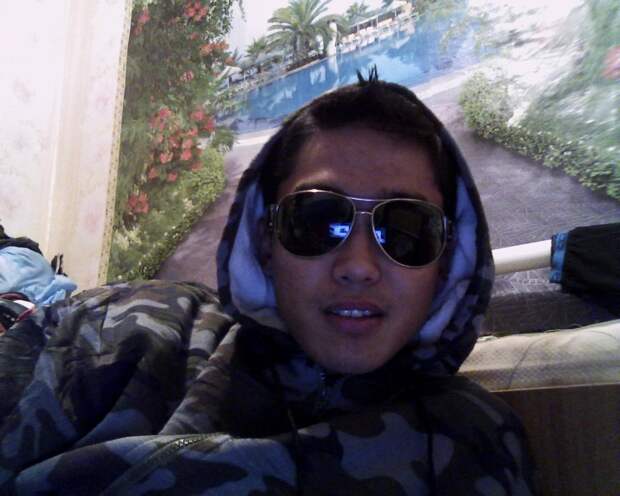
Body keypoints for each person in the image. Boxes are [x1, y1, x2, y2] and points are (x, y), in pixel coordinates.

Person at [0, 71, 537, 495]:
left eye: (405, 230)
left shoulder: (478, 443)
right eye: (317, 219)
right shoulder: (123, 334)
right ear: (265, 241)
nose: (358, 265)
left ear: (446, 261)